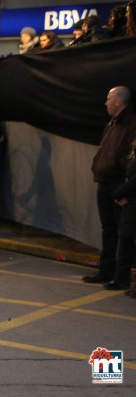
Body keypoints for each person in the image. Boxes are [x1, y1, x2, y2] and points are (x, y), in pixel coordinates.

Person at [84, 86, 136, 287]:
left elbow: (130, 159)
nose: (105, 103)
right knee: (108, 229)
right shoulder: (111, 124)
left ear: (118, 101)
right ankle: (106, 271)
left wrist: (125, 189)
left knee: (122, 232)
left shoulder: (130, 124)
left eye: (108, 99)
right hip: (104, 181)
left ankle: (120, 276)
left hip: (118, 184)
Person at [113, 138, 136, 294]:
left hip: (133, 204)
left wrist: (119, 193)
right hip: (130, 204)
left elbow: (133, 181)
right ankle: (122, 279)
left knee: (129, 242)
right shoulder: (131, 155)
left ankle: (123, 280)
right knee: (126, 242)